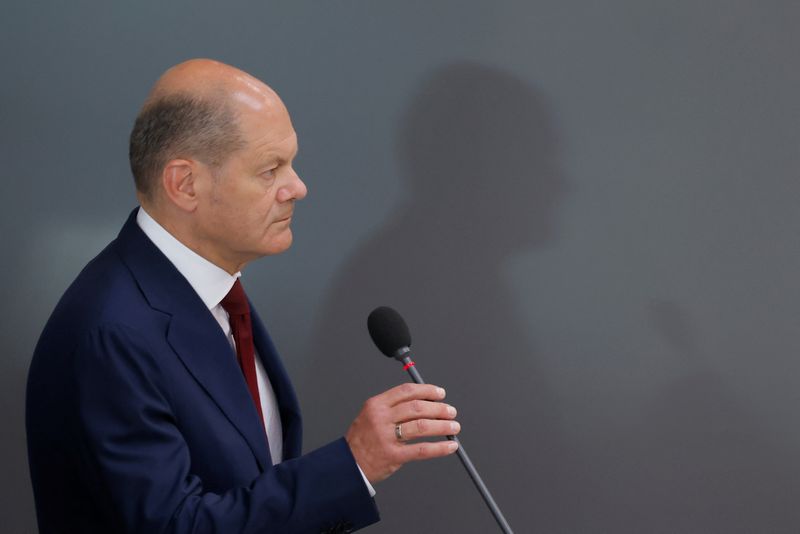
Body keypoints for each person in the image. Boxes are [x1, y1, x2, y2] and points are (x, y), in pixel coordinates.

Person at [26, 58, 461, 534]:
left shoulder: (214, 290)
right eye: (270, 169)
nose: (298, 187)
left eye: (290, 163)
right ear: (185, 184)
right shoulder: (110, 333)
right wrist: (354, 463)